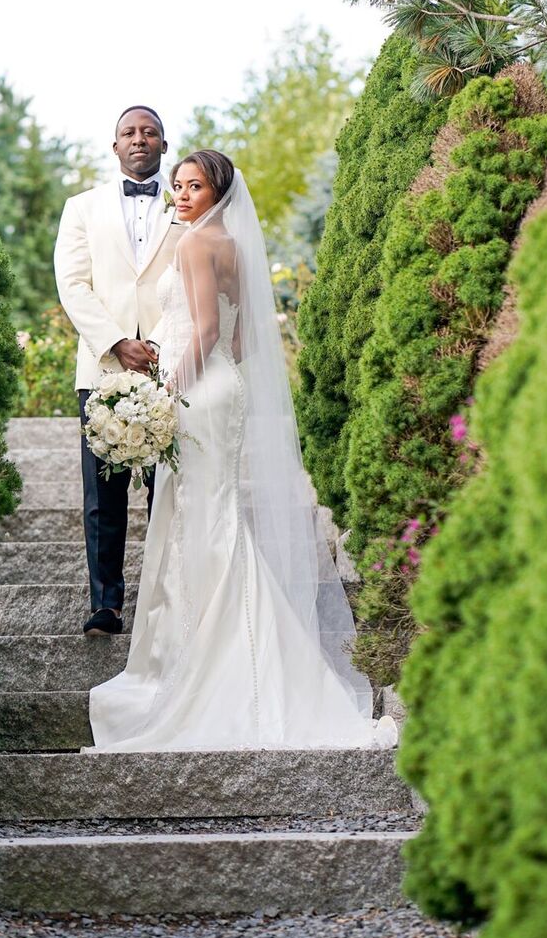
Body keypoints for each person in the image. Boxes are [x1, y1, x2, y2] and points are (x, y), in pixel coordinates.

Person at [88, 149, 398, 751]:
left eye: (194, 186)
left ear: (218, 191)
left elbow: (204, 332)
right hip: (220, 387)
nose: (181, 196)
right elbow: (237, 338)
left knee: (202, 522)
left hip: (196, 392)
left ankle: (210, 655)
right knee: (210, 516)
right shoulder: (231, 245)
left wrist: (166, 394)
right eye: (177, 186)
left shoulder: (194, 245)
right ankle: (233, 650)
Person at [53, 106, 185, 636]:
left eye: (149, 132)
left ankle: (165, 603)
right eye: (129, 133)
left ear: (164, 144)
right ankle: (105, 605)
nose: (139, 139)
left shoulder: (188, 204)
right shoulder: (80, 208)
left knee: (167, 489)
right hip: (101, 368)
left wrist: (157, 345)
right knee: (101, 497)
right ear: (114, 147)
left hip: (169, 366)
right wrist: (114, 342)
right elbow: (73, 284)